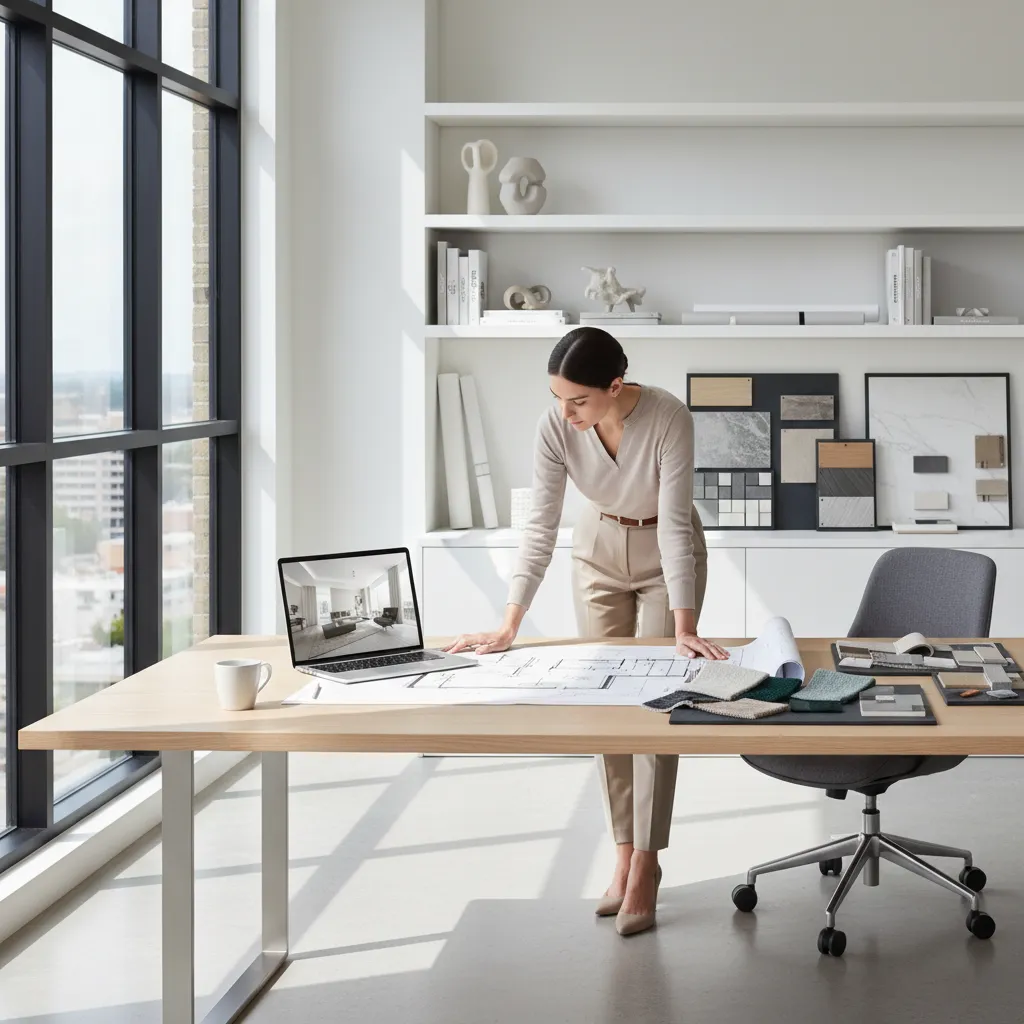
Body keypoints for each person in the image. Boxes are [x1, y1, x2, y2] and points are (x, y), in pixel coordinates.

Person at [445, 327, 727, 936]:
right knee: (605, 704)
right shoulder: (556, 427)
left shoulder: (669, 418)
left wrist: (685, 626)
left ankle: (648, 863)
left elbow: (677, 523)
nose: (565, 412)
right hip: (596, 550)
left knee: (657, 707)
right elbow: (541, 524)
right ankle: (622, 853)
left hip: (664, 552)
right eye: (558, 398)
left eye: (577, 400)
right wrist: (509, 621)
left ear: (615, 386)